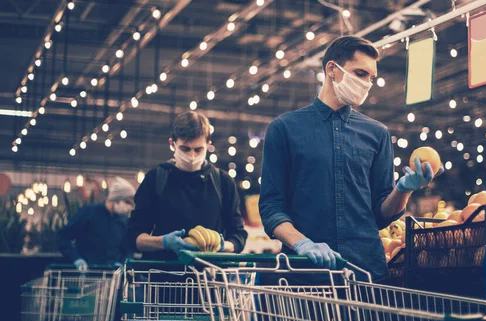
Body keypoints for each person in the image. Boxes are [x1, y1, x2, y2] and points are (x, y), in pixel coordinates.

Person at [259, 36, 441, 282]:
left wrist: (403, 190)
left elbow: (380, 215)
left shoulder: (377, 134)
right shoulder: (284, 129)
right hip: (304, 275)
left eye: (371, 78)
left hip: (366, 273)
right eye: (360, 73)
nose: (367, 83)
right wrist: (301, 243)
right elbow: (271, 208)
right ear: (332, 69)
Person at [127, 110, 247, 261]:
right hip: (162, 277)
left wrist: (223, 246)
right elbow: (133, 237)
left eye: (198, 149)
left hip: (209, 279)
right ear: (172, 144)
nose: (192, 156)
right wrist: (163, 242)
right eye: (185, 148)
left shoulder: (223, 182)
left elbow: (239, 236)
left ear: (208, 145)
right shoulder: (156, 179)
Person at [57, 176, 136, 270]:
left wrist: (122, 262)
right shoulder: (89, 212)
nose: (129, 207)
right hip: (88, 274)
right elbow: (63, 237)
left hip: (113, 278)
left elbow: (127, 248)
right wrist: (76, 258)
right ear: (116, 199)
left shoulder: (123, 221)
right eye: (127, 202)